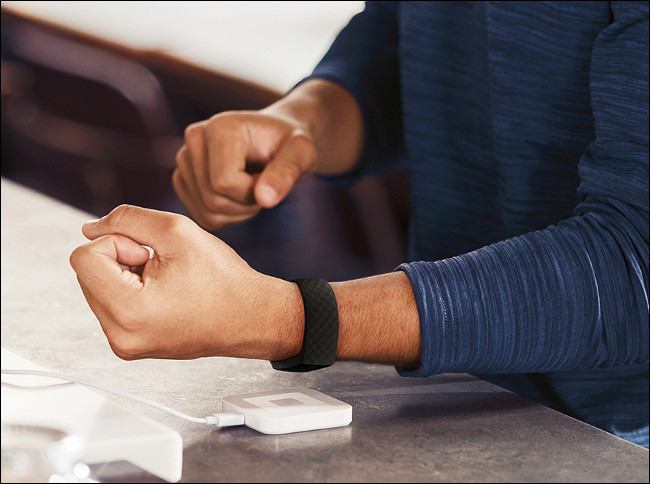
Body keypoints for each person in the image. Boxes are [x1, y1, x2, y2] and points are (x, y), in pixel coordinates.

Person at [69, 1, 649, 447]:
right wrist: (306, 120)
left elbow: (636, 265)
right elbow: (410, 38)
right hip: (462, 398)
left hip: (614, 441)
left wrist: (289, 316)